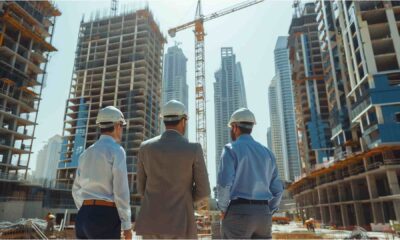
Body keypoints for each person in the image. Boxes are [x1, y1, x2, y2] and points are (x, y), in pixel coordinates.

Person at [136, 100, 211, 239]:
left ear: (163, 120)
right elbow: (204, 190)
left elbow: (141, 189)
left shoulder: (145, 147)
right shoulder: (193, 148)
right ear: (183, 121)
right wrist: (185, 198)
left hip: (150, 223)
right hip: (182, 223)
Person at [217, 108, 284, 239]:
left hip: (239, 213)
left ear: (235, 127)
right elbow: (278, 190)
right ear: (251, 127)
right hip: (263, 215)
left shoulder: (230, 149)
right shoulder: (268, 153)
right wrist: (268, 210)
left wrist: (223, 209)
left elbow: (224, 184)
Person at [72, 106, 132, 239]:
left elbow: (76, 190)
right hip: (105, 216)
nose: (122, 130)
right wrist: (127, 226)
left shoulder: (85, 153)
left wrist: (86, 210)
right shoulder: (117, 150)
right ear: (117, 125)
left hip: (83, 216)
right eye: (122, 126)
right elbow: (121, 191)